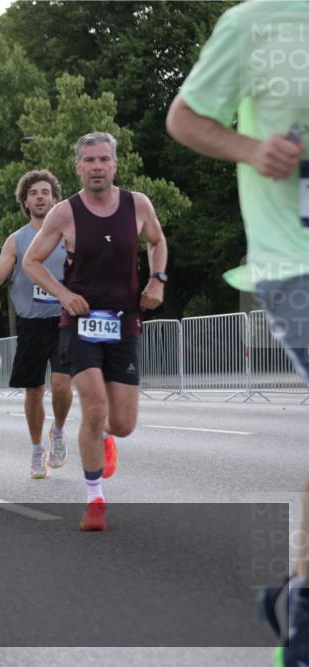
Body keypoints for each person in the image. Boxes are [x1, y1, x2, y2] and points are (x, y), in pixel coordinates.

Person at [166, 5, 308, 662]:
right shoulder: (257, 22)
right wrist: (254, 148)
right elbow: (184, 117)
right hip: (293, 261)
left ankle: (299, 604)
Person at [23, 132, 168, 532]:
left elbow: (157, 241)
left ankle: (105, 436)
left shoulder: (137, 204)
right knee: (94, 406)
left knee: (122, 423)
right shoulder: (64, 213)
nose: (97, 166)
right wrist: (63, 294)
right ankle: (95, 499)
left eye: (104, 159)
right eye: (90, 161)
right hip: (81, 323)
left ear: (115, 164)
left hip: (124, 321)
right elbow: (32, 262)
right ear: (78, 167)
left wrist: (157, 280)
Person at [0, 170, 74, 479]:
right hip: (31, 324)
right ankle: (37, 450)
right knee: (34, 391)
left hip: (64, 320)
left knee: (62, 384)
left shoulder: (69, 235)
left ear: (55, 199)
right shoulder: (17, 240)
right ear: (25, 201)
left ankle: (58, 432)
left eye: (45, 192)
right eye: (33, 192)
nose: (40, 196)